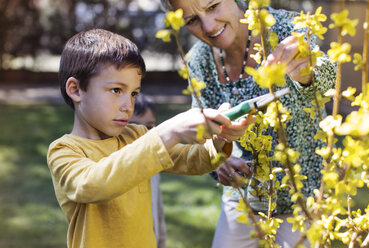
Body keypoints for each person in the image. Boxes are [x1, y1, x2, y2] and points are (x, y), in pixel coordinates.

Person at [46, 28, 252, 248]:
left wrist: (220, 137)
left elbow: (196, 160)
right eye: (116, 90)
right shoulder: (64, 151)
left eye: (134, 93)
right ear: (76, 89)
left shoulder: (136, 136)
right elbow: (93, 185)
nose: (128, 106)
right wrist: (168, 132)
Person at [161, 0, 336, 247]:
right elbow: (201, 133)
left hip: (303, 196)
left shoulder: (286, 27)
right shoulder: (198, 61)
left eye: (213, 6)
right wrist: (217, 161)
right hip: (242, 198)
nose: (208, 27)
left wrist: (308, 72)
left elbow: (328, 84)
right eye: (192, 20)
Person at [129, 93, 167, 248]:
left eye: (148, 127)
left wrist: (161, 241)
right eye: (133, 126)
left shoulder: (152, 163)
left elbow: (157, 209)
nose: (142, 133)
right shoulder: (113, 167)